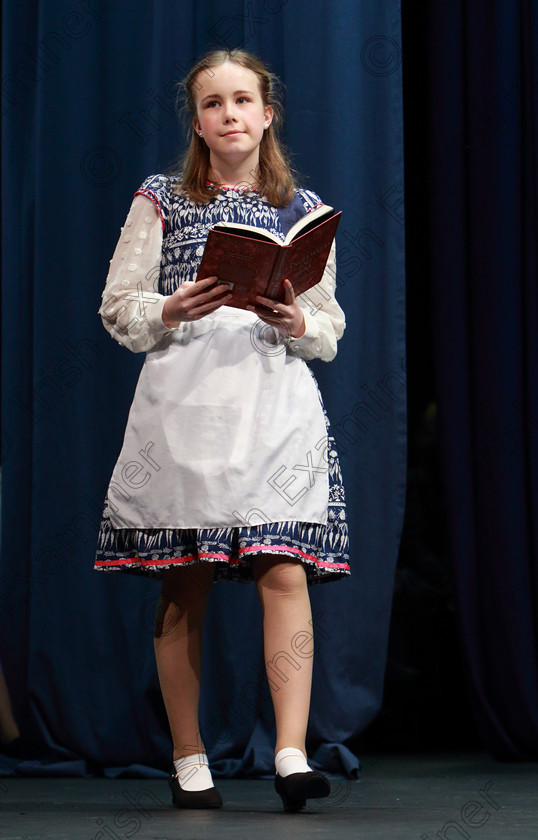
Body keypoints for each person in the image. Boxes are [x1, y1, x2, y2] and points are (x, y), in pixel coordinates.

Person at [94, 48, 350, 812]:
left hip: (273, 407)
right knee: (185, 582)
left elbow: (329, 327)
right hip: (188, 406)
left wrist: (295, 316)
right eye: (213, 104)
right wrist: (171, 308)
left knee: (284, 571)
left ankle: (291, 751)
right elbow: (119, 303)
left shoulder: (300, 208)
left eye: (244, 100)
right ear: (198, 121)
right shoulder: (162, 197)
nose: (230, 114)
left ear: (267, 114)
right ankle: (189, 754)